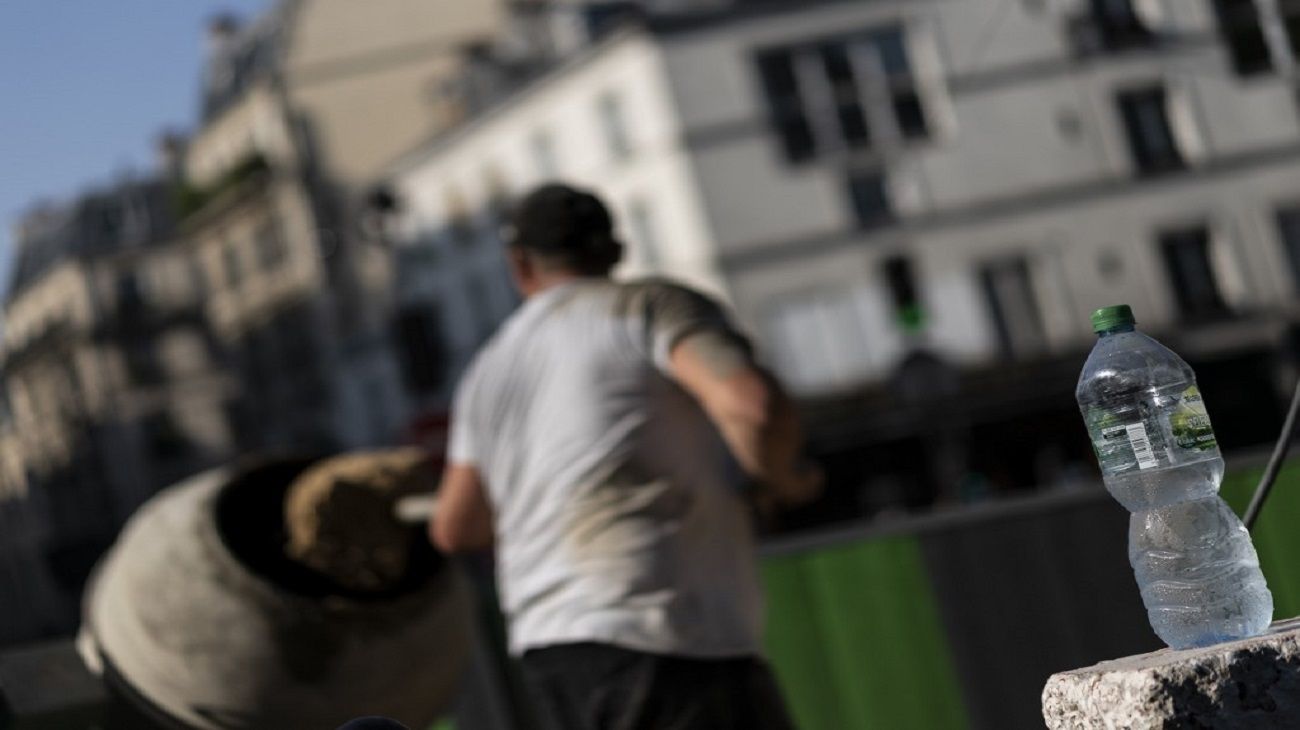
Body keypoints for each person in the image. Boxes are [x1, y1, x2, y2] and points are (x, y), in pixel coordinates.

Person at [430, 183, 822, 730]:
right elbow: (752, 406)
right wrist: (779, 478)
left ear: (520, 265)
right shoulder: (649, 307)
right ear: (616, 250)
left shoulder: (487, 372)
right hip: (663, 635)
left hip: (552, 650)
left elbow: (456, 526)